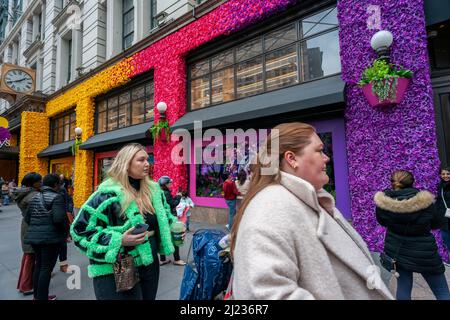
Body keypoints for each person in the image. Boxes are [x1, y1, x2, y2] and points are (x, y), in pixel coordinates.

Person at [230, 122, 393, 300]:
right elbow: (261, 293)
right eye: (319, 150)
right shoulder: (270, 209)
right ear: (292, 159)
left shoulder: (310, 199)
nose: (326, 158)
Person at [70, 143, 175, 300]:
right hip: (118, 265)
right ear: (126, 163)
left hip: (150, 263)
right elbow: (79, 232)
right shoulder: (106, 195)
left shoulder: (154, 192)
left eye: (147, 159)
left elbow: (166, 217)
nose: (147, 164)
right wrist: (119, 240)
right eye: (141, 160)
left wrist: (174, 227)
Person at [375, 170, 450, 300]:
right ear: (412, 182)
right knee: (441, 291)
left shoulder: (383, 202)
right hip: (424, 252)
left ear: (392, 183)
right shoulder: (426, 202)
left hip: (397, 250)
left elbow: (383, 221)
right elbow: (435, 223)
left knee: (403, 286)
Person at [24, 173, 69, 300]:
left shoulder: (35, 196)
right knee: (46, 269)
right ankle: (42, 297)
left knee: (39, 266)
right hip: (50, 239)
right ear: (55, 185)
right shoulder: (57, 197)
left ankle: (37, 296)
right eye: (59, 184)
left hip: (34, 237)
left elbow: (27, 218)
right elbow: (59, 219)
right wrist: (65, 233)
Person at [13, 173, 42, 296]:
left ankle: (24, 284)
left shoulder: (25, 193)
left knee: (28, 256)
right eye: (39, 181)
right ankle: (27, 285)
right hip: (33, 227)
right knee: (30, 257)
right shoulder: (33, 196)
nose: (41, 183)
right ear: (33, 183)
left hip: (27, 226)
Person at [158, 176, 186, 266]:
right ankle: (177, 259)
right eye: (169, 183)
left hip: (163, 219)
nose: (171, 184)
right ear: (165, 184)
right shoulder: (166, 193)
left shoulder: (160, 192)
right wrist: (178, 196)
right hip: (170, 218)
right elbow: (173, 203)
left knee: (163, 238)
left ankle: (162, 260)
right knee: (175, 237)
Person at [57, 174, 72, 273]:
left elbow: (68, 204)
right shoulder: (40, 194)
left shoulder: (62, 190)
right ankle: (48, 268)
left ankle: (63, 265)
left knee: (62, 246)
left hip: (62, 221)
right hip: (56, 223)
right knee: (58, 246)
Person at [437, 167, 450, 262]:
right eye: (443, 174)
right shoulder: (441, 186)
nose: (445, 176)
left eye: (448, 173)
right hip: (444, 216)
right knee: (446, 237)